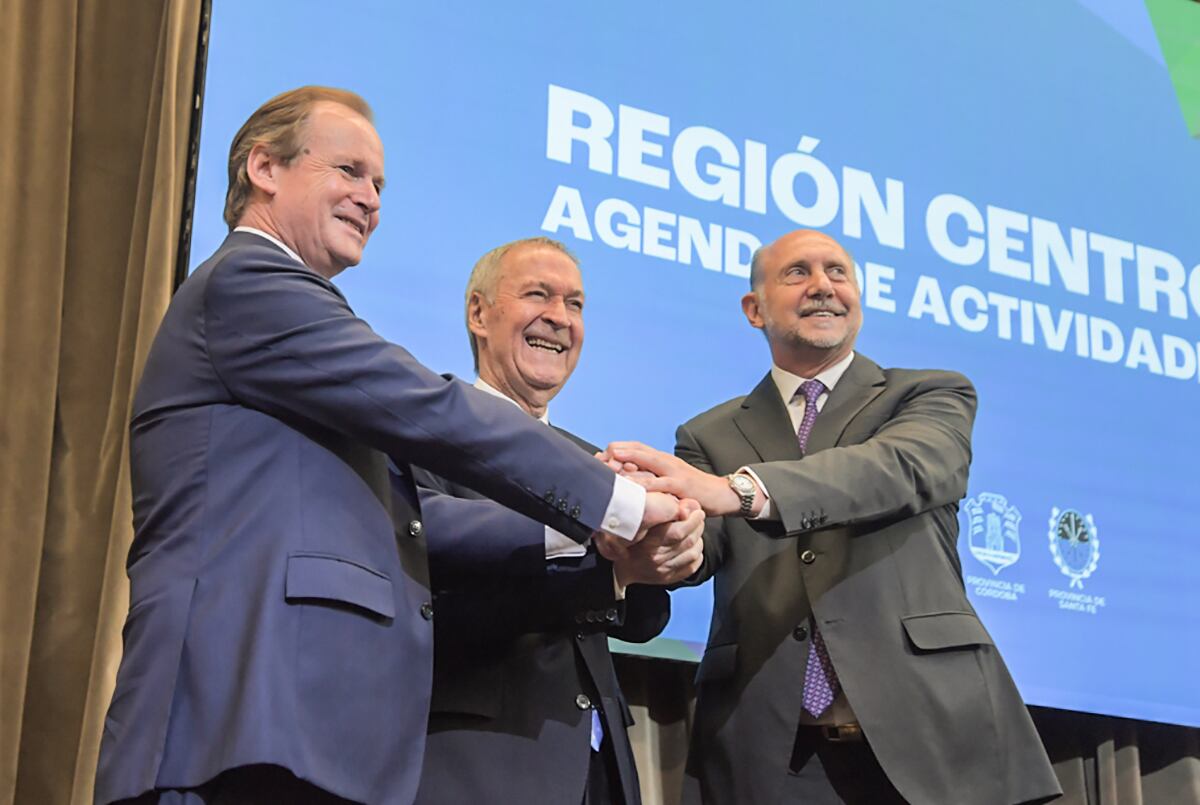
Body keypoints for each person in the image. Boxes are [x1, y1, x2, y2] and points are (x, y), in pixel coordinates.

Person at [93, 87, 684, 805]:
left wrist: (598, 546)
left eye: (378, 183)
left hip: (298, 736)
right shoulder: (251, 283)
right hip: (230, 721)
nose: (370, 198)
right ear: (264, 168)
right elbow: (433, 410)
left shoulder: (288, 331)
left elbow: (412, 519)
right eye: (348, 170)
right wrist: (616, 502)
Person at [604, 230, 1061, 804]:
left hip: (929, 741)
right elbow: (703, 547)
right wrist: (657, 527)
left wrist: (739, 490)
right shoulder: (708, 434)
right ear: (754, 309)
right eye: (798, 273)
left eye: (838, 272)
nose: (823, 286)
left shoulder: (929, 395)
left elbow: (891, 470)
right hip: (773, 755)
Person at [410, 237, 704, 805]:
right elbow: (431, 599)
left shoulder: (593, 462)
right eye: (538, 295)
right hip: (477, 760)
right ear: (479, 313)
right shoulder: (425, 435)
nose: (559, 318)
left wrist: (664, 556)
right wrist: (607, 570)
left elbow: (641, 620)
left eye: (575, 304)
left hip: (596, 767)